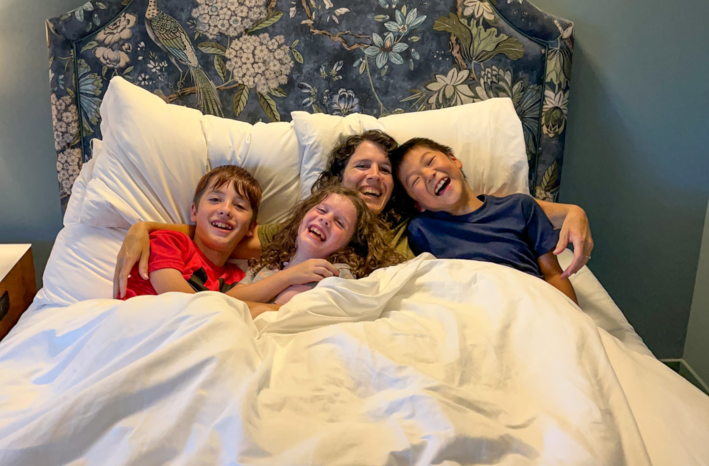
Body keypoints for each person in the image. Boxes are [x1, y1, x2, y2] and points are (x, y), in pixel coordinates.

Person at [113, 131, 594, 297]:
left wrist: (570, 208)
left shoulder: (418, 222)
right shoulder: (308, 225)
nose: (374, 176)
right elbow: (223, 237)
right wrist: (149, 227)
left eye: (385, 170)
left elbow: (487, 206)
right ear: (338, 180)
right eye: (362, 165)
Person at [392, 138, 577, 304]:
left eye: (430, 161)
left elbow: (553, 274)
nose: (428, 174)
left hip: (531, 303)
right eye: (415, 180)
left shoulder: (519, 207)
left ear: (454, 159)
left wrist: (576, 324)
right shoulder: (421, 230)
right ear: (418, 205)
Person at [229, 185, 403, 309]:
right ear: (302, 216)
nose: (325, 219)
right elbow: (225, 302)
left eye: (339, 222)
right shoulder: (268, 264)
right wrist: (288, 276)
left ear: (348, 244)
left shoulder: (335, 274)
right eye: (321, 210)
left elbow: (292, 316)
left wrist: (253, 308)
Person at [118, 164, 263, 303]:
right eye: (215, 199)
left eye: (239, 206)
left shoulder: (237, 278)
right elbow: (184, 303)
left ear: (251, 227)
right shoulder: (167, 242)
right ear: (194, 212)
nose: (225, 210)